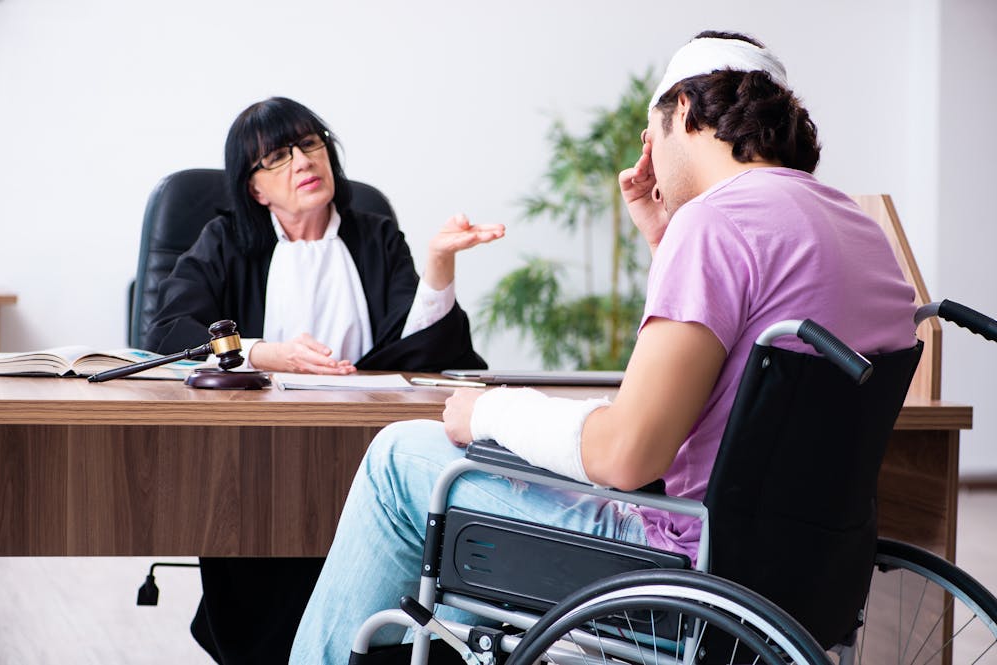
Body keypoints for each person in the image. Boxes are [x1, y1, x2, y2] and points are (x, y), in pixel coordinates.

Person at [289, 31, 918, 663]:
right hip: (799, 581)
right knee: (478, 487)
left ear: (684, 114)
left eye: (652, 132)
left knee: (403, 456)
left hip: (679, 578)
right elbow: (732, 393)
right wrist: (665, 242)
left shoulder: (717, 223)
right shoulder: (861, 232)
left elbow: (629, 457)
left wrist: (491, 410)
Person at [145, 97, 504, 665]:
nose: (303, 162)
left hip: (365, 445)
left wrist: (439, 264)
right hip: (256, 461)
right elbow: (165, 332)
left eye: (311, 145)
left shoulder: (377, 236)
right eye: (278, 157)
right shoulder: (226, 240)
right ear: (256, 189)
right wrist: (265, 353)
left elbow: (432, 352)